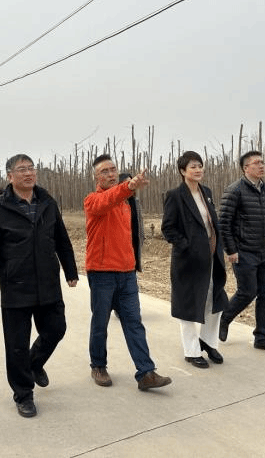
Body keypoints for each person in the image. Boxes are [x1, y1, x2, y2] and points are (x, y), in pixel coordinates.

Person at [0, 154, 78, 418]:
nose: (28, 173)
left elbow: (62, 239)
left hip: (48, 283)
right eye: (21, 169)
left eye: (31, 168)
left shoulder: (47, 202)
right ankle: (23, 394)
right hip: (16, 286)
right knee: (16, 345)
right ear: (10, 176)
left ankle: (34, 363)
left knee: (56, 329)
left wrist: (70, 270)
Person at [84, 154, 171, 391]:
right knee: (100, 323)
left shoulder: (125, 204)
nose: (110, 174)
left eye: (113, 169)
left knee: (134, 323)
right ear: (96, 177)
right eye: (104, 171)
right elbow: (108, 199)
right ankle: (98, 365)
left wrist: (134, 264)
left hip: (126, 274)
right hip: (102, 273)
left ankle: (146, 372)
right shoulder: (93, 200)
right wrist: (129, 187)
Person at [218, 151, 265, 354]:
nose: (262, 166)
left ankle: (262, 338)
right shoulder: (234, 190)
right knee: (247, 292)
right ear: (246, 168)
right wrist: (231, 250)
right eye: (257, 163)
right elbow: (223, 223)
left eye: (263, 162)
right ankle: (224, 318)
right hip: (243, 252)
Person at [161, 151, 229, 368]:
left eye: (200, 165)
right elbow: (168, 229)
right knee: (189, 304)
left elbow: (212, 223)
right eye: (193, 166)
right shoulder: (175, 195)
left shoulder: (206, 192)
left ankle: (208, 342)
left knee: (215, 300)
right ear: (183, 171)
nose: (198, 170)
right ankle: (191, 351)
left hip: (211, 257)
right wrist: (187, 247)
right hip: (188, 261)